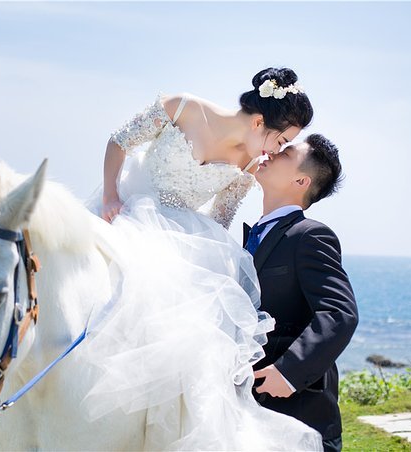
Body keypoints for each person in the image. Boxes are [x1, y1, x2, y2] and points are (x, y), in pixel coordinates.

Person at [79, 68, 323, 450]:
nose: (277, 151)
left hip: (180, 241)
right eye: (282, 140)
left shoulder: (248, 167)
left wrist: (197, 263)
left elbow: (219, 220)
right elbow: (119, 141)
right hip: (126, 214)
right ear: (260, 122)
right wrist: (111, 195)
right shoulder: (183, 107)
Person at [246, 134, 359, 452]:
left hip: (296, 413)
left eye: (286, 153)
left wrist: (289, 371)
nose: (272, 153)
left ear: (301, 180)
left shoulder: (310, 235)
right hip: (245, 409)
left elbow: (339, 313)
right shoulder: (247, 238)